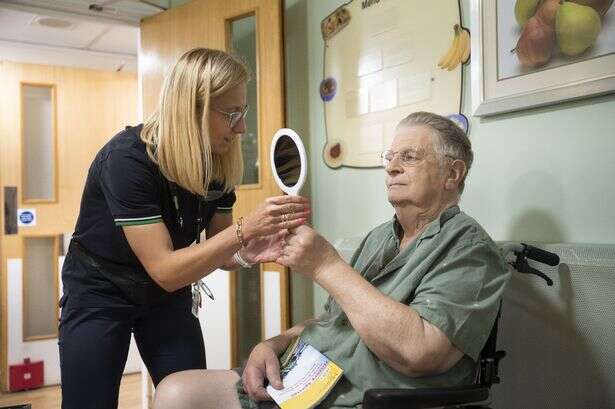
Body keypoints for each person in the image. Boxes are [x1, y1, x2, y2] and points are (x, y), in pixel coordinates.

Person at [151, 111, 510, 409]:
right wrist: (273, 344)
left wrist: (326, 266)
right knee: (174, 392)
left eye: (410, 157)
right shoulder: (380, 238)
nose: (392, 168)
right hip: (304, 382)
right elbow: (333, 320)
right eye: (390, 157)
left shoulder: (470, 250)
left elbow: (421, 352)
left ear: (453, 173)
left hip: (359, 397)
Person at [58, 48, 309, 409]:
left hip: (164, 297)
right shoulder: (127, 161)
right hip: (100, 291)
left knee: (194, 397)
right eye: (231, 113)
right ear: (190, 109)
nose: (241, 127)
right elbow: (165, 270)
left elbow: (221, 249)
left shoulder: (216, 162)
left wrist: (248, 253)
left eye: (244, 112)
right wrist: (244, 229)